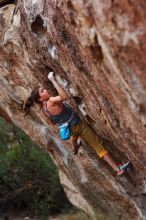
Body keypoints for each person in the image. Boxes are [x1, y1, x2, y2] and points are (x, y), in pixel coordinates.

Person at [23, 72, 130, 176]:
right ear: (41, 98)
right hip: (78, 124)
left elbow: (53, 121)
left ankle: (75, 146)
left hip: (70, 128)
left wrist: (61, 115)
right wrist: (53, 80)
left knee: (74, 137)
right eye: (43, 91)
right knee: (98, 146)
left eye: (44, 89)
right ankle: (118, 169)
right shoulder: (50, 101)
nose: (46, 90)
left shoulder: (45, 110)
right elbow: (64, 96)